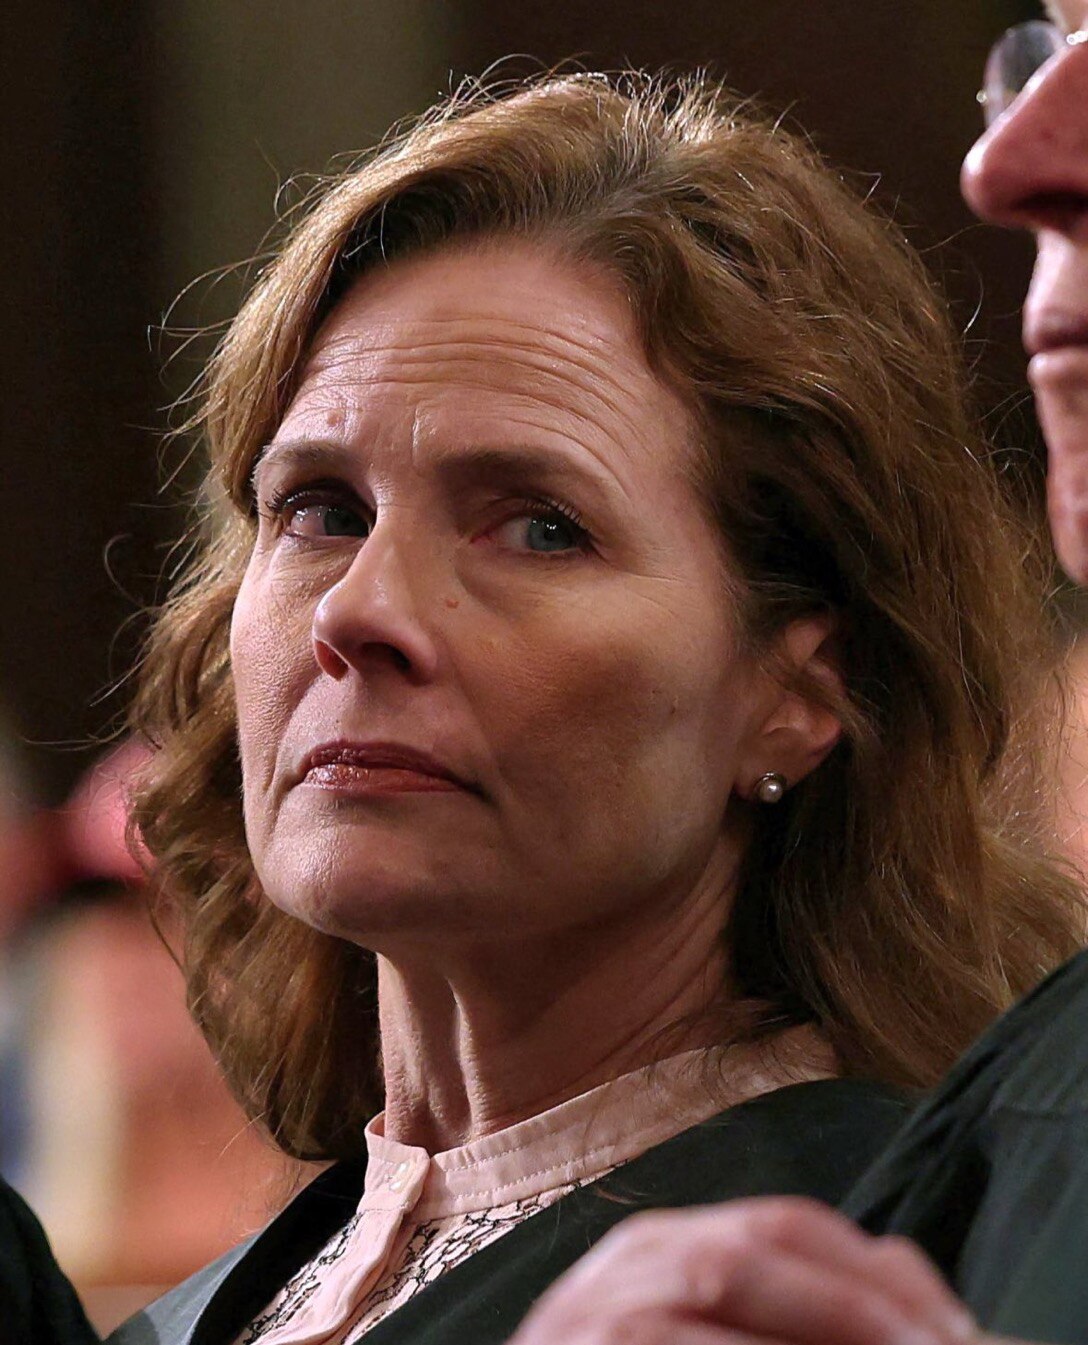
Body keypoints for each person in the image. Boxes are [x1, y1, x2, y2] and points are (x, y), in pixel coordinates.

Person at [101, 68, 1087, 1345]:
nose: (357, 611)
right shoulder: (180, 1318)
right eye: (319, 511)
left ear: (795, 691)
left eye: (536, 527)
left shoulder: (904, 1266)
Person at [504, 6, 1088, 1345]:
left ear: (802, 684)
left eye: (543, 525)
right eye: (1045, 55)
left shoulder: (835, 1178)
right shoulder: (1026, 1105)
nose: (1008, 165)